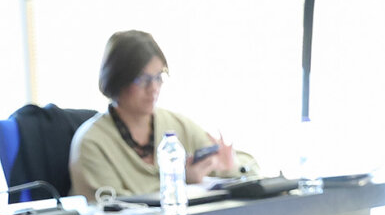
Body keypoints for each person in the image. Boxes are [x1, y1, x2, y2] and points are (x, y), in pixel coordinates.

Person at [68, 30, 258, 201]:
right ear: (117, 79)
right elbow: (112, 208)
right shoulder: (92, 142)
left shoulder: (175, 125)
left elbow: (250, 168)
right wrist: (181, 181)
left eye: (158, 77)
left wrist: (231, 166)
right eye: (143, 79)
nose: (154, 88)